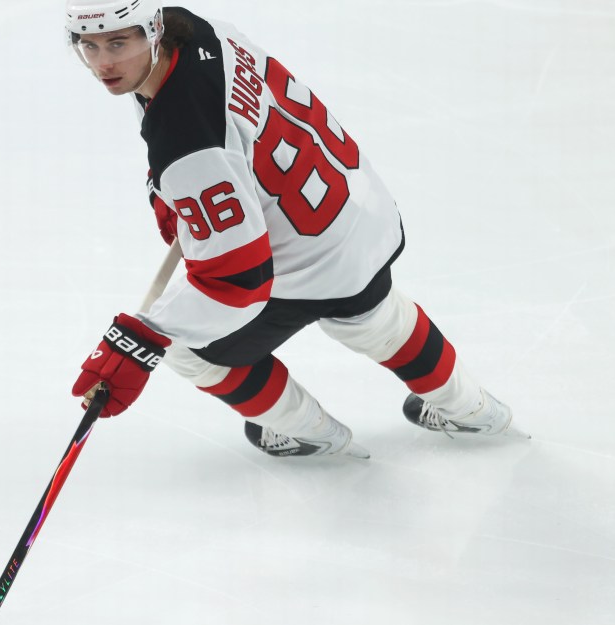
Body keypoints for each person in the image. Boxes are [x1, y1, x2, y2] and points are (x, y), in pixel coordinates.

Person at [66, 1, 528, 458]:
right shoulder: (199, 30)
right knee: (376, 318)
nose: (103, 63)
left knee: (187, 350)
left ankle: (310, 431)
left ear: (154, 32)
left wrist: (141, 340)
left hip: (304, 259)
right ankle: (474, 410)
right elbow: (232, 130)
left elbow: (237, 279)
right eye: (88, 46)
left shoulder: (186, 140)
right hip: (354, 207)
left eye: (118, 43)